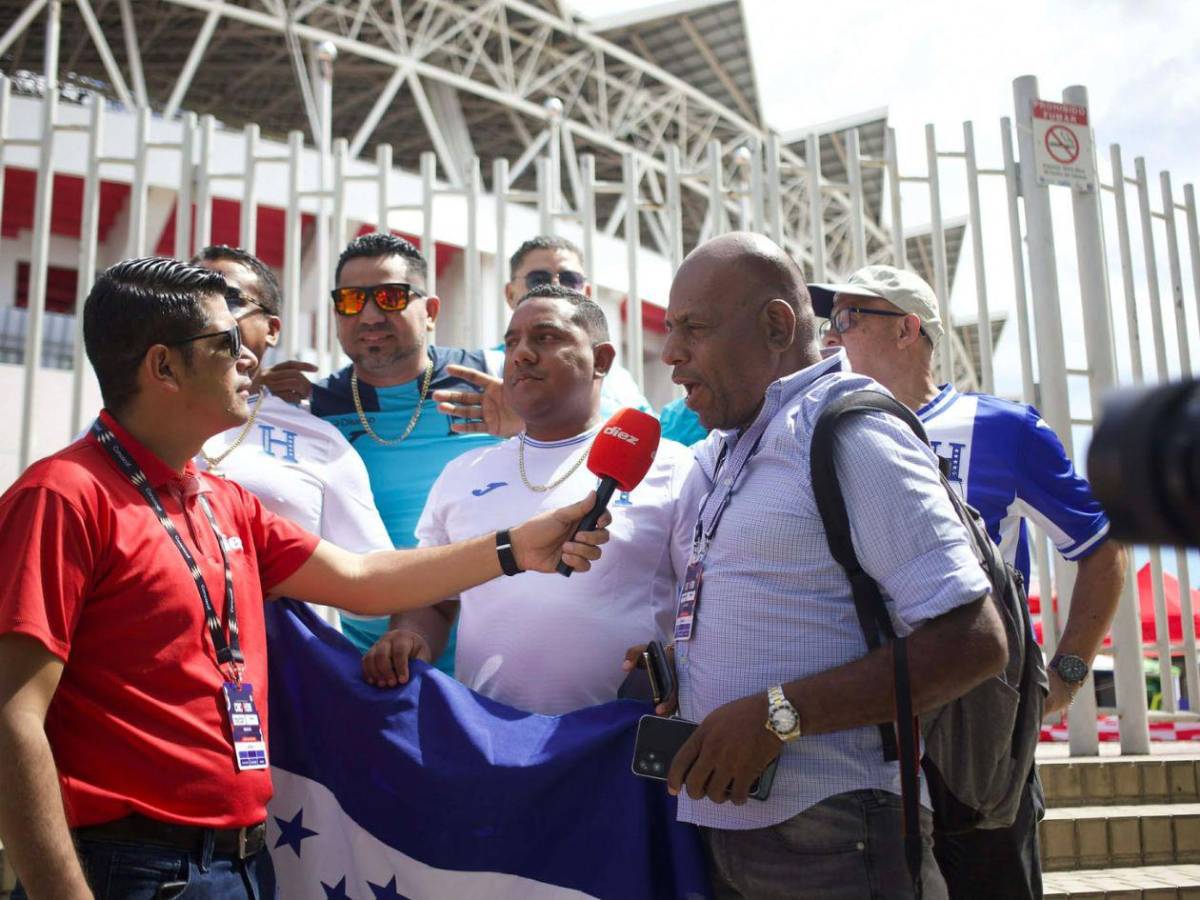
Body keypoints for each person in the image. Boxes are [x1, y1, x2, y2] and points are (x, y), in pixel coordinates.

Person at [0, 257, 610, 899]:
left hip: (239, 864)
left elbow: (362, 578)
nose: (249, 358)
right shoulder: (61, 498)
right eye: (225, 342)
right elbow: (12, 717)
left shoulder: (222, 500)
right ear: (164, 367)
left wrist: (517, 547)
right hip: (124, 868)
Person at [633, 232, 1008, 899]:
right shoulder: (726, 453)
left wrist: (777, 716)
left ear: (777, 326)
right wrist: (682, 674)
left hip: (838, 832)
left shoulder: (849, 432)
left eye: (694, 328)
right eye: (670, 331)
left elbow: (972, 642)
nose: (671, 354)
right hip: (727, 828)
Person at [813, 263, 1128, 900]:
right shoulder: (824, 432)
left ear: (907, 330)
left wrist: (1066, 674)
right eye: (829, 322)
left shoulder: (1003, 429)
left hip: (977, 733)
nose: (831, 337)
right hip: (863, 729)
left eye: (848, 318)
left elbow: (1101, 549)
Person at [362, 284, 695, 714]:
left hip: (624, 737)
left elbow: (708, 601)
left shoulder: (673, 467)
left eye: (546, 337)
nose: (521, 354)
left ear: (602, 360)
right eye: (511, 342)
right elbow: (435, 602)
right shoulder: (462, 473)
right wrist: (410, 635)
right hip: (489, 738)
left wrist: (674, 660)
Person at [269, 232, 505, 664]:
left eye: (391, 297)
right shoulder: (312, 410)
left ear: (430, 311)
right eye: (351, 301)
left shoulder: (492, 381)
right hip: (377, 666)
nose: (370, 315)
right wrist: (254, 402)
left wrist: (533, 418)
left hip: (498, 660)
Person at [191, 245, 393, 631]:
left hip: (273, 660)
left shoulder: (319, 439)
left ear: (272, 329)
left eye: (230, 299)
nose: (208, 312)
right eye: (194, 297)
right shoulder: (136, 421)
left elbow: (370, 585)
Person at [481, 235, 653, 420]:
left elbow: (650, 434)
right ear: (510, 294)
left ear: (587, 293)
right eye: (538, 279)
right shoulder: (481, 370)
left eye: (570, 280)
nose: (556, 287)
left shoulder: (620, 382)